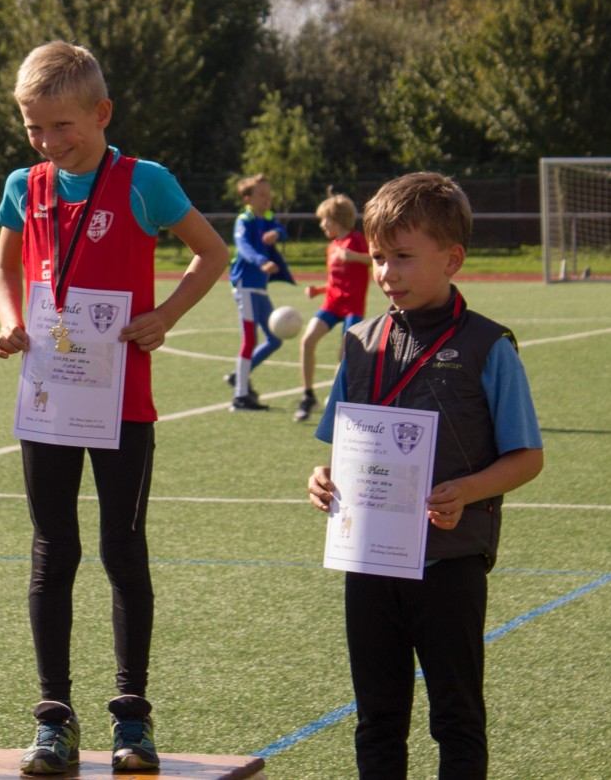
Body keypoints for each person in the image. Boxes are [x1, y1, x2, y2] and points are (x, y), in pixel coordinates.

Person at [0, 41, 229, 773]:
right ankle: (53, 719)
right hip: (48, 399)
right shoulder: (23, 186)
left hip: (123, 402)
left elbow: (212, 253)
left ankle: (131, 718)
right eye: (35, 128)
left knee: (123, 552)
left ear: (101, 113)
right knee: (51, 551)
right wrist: (7, 319)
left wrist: (166, 316)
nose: (50, 142)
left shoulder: (143, 181)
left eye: (63, 126)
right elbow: (2, 267)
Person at [307, 172, 544, 779]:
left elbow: (528, 457)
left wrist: (467, 490)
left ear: (452, 258)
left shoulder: (490, 348)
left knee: (456, 718)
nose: (386, 273)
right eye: (380, 258)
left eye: (404, 258)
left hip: (449, 566)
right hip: (369, 563)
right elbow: (342, 448)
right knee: (378, 718)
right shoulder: (359, 341)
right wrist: (322, 480)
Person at [296, 193, 372, 422]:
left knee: (344, 356)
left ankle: (338, 399)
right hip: (332, 304)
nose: (322, 224)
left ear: (337, 218)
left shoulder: (356, 240)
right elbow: (334, 280)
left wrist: (355, 256)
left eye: (324, 219)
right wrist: (318, 290)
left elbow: (375, 260)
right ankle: (308, 395)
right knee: (307, 340)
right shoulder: (332, 247)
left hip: (352, 307)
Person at [224, 174, 295, 411]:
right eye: (262, 195)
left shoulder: (267, 217)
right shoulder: (243, 220)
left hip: (260, 288)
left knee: (274, 339)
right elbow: (243, 247)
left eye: (269, 195)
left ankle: (238, 376)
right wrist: (261, 260)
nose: (267, 199)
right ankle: (240, 397)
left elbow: (279, 230)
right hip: (245, 286)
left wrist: (278, 234)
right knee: (250, 339)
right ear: (247, 198)